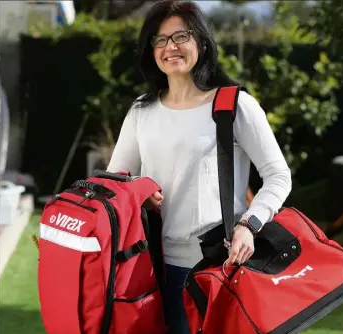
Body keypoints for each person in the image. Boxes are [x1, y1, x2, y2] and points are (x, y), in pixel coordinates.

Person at [106, 0, 292, 333]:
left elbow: (278, 175)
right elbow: (116, 180)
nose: (170, 47)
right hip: (146, 268)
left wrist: (249, 224)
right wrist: (139, 191)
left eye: (181, 36)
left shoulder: (233, 105)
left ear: (201, 43)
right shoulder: (141, 111)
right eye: (159, 40)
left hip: (213, 269)